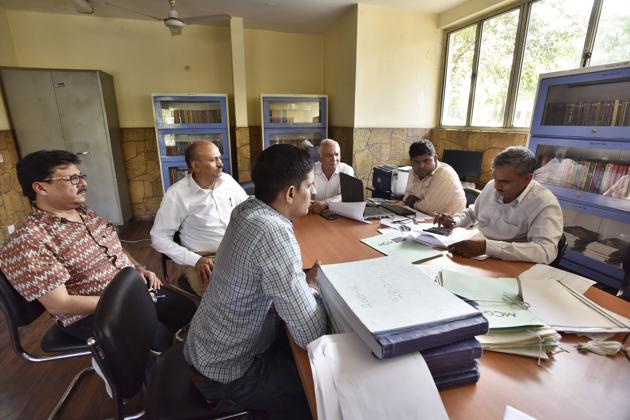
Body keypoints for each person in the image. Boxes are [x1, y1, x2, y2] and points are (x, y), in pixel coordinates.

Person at [184, 144, 327, 419]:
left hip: (204, 350)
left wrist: (297, 286)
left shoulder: (246, 208)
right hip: (225, 374)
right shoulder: (272, 232)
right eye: (309, 186)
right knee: (316, 389)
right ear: (290, 193)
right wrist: (311, 289)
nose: (314, 193)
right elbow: (310, 334)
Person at [0, 150, 196, 342]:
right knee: (157, 337)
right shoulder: (29, 240)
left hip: (131, 290)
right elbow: (60, 304)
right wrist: (127, 300)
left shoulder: (83, 212)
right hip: (91, 313)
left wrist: (138, 268)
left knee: (186, 311)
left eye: (81, 176)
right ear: (41, 188)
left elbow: (113, 247)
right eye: (72, 179)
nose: (83, 183)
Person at [435, 146, 563, 264]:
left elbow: (545, 251)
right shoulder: (492, 185)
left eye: (505, 181)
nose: (497, 186)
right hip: (475, 255)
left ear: (527, 178)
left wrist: (487, 247)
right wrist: (455, 221)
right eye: (495, 178)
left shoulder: (544, 203)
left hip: (508, 265)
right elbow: (473, 213)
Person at [150, 141, 248, 296]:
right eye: (213, 160)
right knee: (225, 298)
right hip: (205, 258)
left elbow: (247, 211)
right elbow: (159, 238)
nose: (220, 164)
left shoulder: (228, 181)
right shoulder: (176, 194)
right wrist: (195, 260)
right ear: (195, 166)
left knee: (267, 282)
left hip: (239, 250)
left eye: (219, 158)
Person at [402, 139, 466, 215]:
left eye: (426, 161)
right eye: (416, 161)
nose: (421, 166)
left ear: (435, 158)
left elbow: (427, 208)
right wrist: (417, 202)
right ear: (411, 161)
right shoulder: (414, 171)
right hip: (422, 217)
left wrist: (413, 202)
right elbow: (406, 198)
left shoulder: (444, 174)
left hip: (450, 221)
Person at [309, 138, 354, 214]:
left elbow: (345, 195)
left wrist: (324, 203)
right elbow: (306, 195)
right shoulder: (311, 170)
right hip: (314, 213)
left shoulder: (347, 170)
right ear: (319, 157)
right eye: (329, 155)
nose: (334, 159)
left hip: (338, 214)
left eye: (337, 154)